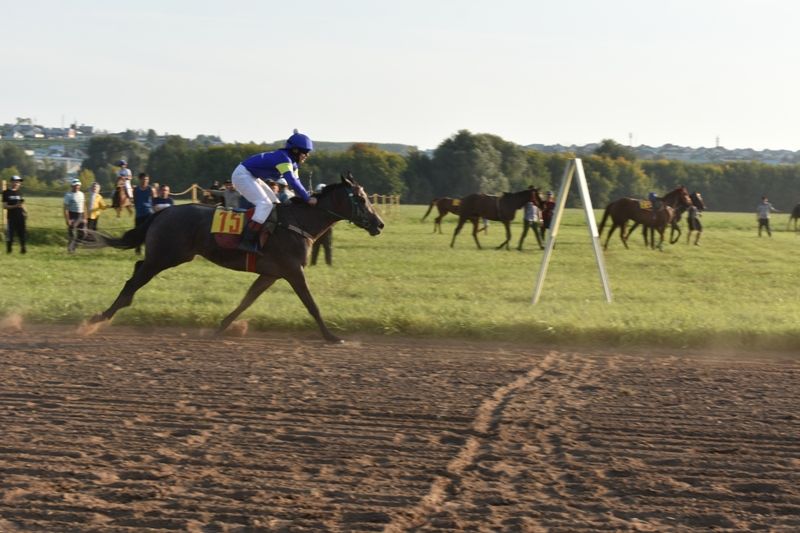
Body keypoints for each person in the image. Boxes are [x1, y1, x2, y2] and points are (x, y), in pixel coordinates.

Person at [230, 130, 317, 254]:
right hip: (242, 175)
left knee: (276, 204)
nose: (307, 156)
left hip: (252, 176)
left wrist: (307, 197)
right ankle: (246, 241)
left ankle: (268, 237)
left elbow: (297, 184)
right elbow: (291, 180)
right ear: (296, 150)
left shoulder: (293, 164)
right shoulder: (283, 158)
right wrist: (307, 199)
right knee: (265, 204)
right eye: (306, 152)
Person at [3, 175, 27, 254]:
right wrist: (15, 206)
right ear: (11, 182)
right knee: (11, 234)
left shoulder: (20, 192)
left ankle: (23, 249)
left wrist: (25, 211)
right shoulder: (6, 192)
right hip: (11, 217)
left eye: (18, 182)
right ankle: (9, 250)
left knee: (22, 233)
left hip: (20, 216)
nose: (17, 183)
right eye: (16, 182)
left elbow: (22, 203)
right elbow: (5, 206)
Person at [133, 173, 156, 254]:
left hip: (148, 213)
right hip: (139, 214)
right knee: (138, 231)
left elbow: (154, 200)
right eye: (144, 179)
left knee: (148, 232)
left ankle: (148, 249)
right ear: (140, 179)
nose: (145, 181)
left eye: (147, 179)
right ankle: (138, 248)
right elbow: (135, 200)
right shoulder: (136, 190)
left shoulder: (151, 189)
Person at [310, 184, 333, 266]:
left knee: (326, 247)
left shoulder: (327, 202)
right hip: (320, 227)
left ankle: (327, 263)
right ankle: (315, 263)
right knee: (320, 246)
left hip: (324, 227)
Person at [63, 178, 87, 253]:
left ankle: (75, 246)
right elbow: (65, 208)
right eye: (75, 185)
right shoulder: (68, 195)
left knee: (83, 234)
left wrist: (85, 217)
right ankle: (70, 250)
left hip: (81, 215)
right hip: (72, 216)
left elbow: (84, 206)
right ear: (72, 186)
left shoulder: (82, 194)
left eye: (78, 185)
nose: (77, 187)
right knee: (72, 234)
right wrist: (67, 219)